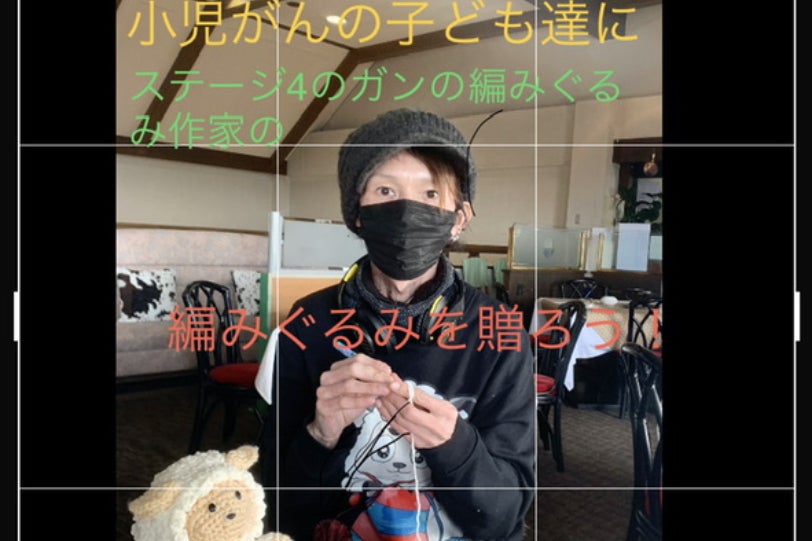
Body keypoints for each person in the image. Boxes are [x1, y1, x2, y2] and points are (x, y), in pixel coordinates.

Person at [260, 108, 536, 540]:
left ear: (459, 218)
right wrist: (321, 432)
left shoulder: (499, 333)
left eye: (430, 193)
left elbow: (505, 517)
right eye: (385, 190)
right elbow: (277, 505)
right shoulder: (308, 324)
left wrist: (454, 445)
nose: (407, 211)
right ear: (356, 212)